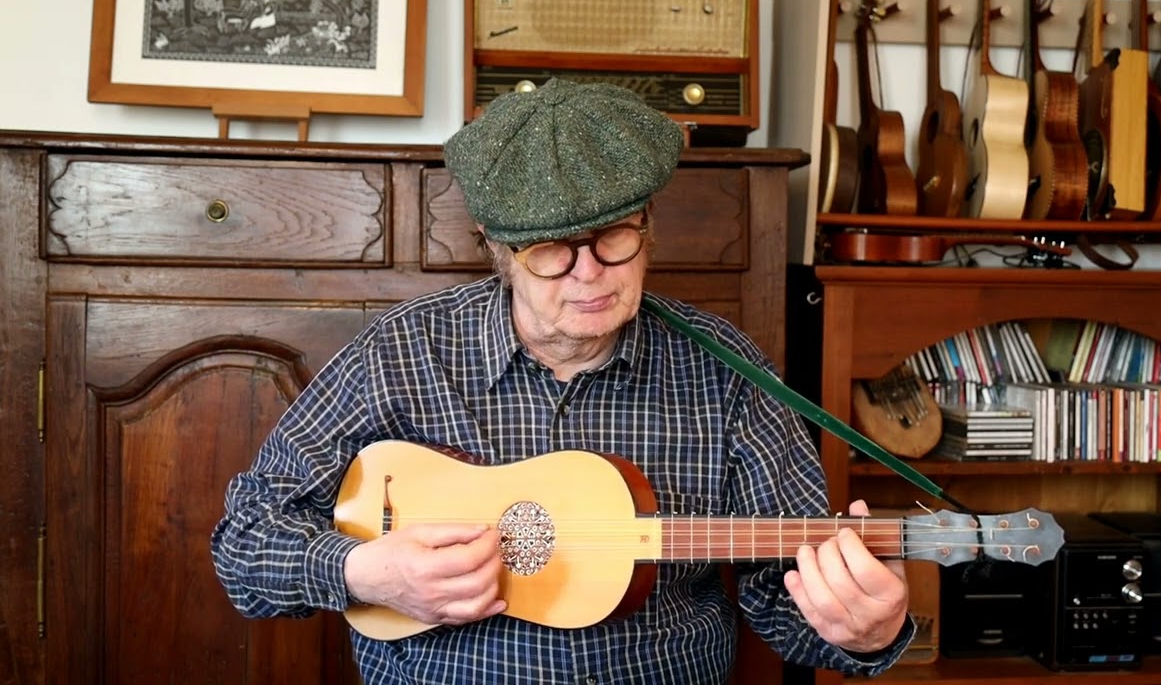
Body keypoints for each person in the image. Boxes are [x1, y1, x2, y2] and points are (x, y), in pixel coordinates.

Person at [210, 78, 913, 684]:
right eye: (552, 249)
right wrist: (363, 573)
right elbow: (243, 543)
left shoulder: (725, 369)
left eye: (614, 237)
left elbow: (788, 592)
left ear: (648, 225)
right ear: (498, 246)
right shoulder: (402, 352)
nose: (589, 273)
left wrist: (862, 631)